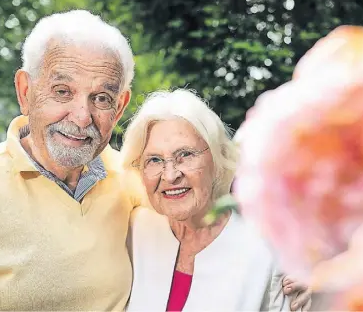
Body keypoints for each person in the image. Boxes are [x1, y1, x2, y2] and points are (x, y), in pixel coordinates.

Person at [0, 10, 142, 310]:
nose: (82, 117)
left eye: (101, 98)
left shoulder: (136, 181)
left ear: (120, 107)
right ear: (25, 91)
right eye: (62, 91)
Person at [121, 89, 314, 311]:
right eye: (154, 160)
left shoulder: (268, 252)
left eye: (185, 155)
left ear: (217, 158)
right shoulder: (135, 229)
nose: (170, 174)